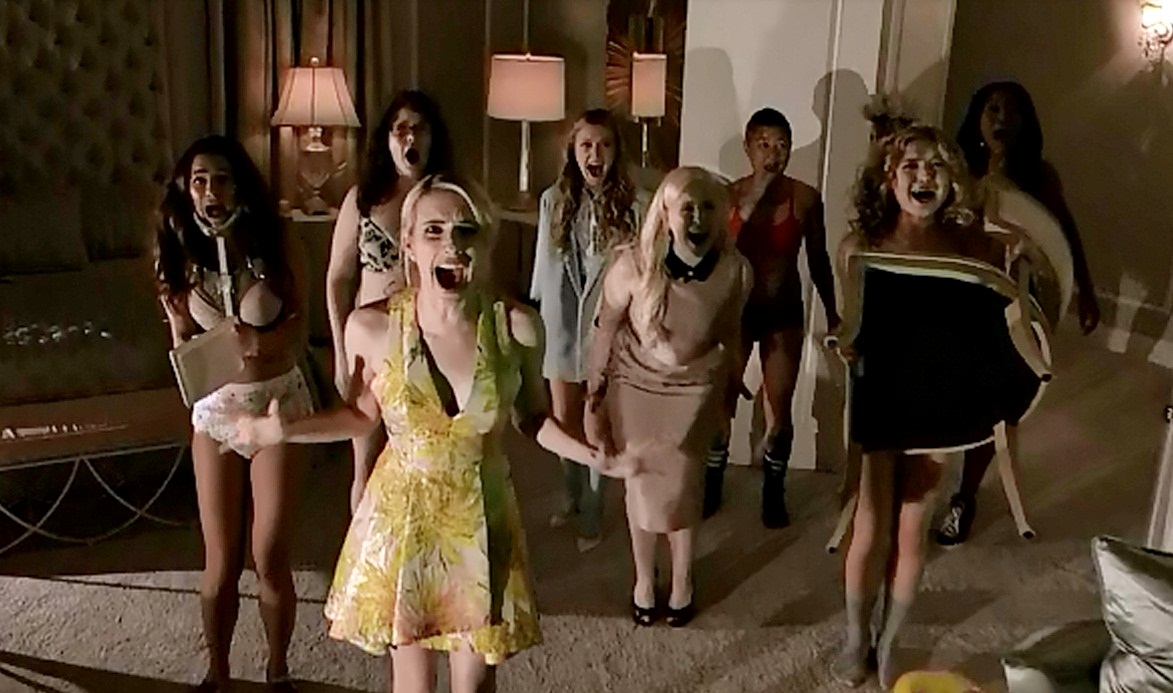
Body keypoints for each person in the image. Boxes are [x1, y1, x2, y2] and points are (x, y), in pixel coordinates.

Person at [233, 175, 616, 693]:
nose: (451, 244)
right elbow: (361, 416)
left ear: (485, 242)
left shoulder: (517, 327)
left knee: (474, 685)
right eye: (433, 230)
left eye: (465, 230)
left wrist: (593, 456)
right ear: (408, 244)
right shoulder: (371, 328)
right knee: (412, 686)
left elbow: (531, 417)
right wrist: (286, 430)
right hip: (405, 516)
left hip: (481, 514)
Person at [831, 125, 1007, 688]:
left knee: (913, 529)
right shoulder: (861, 246)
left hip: (943, 402)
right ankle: (856, 636)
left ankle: (890, 641)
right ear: (888, 178)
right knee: (871, 524)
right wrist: (843, 344)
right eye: (911, 165)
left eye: (936, 166)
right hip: (882, 395)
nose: (924, 176)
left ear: (953, 181)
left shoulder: (972, 248)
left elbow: (996, 322)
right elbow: (850, 324)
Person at [154, 135, 310, 692]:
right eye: (199, 180)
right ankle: (217, 673)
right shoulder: (176, 251)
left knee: (269, 553)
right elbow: (184, 352)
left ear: (239, 185)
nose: (210, 190)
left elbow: (300, 327)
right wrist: (181, 330)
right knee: (220, 560)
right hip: (217, 412)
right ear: (186, 189)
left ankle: (277, 669)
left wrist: (259, 343)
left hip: (276, 405)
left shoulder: (276, 237)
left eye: (221, 179)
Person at [586, 166, 752, 628]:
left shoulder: (736, 271)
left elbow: (731, 333)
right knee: (640, 481)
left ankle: (683, 579)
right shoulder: (632, 266)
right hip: (636, 382)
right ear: (666, 213)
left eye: (708, 207)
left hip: (695, 387)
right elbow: (605, 327)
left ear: (722, 214)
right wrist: (594, 392)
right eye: (687, 208)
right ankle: (643, 578)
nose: (697, 217)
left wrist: (730, 394)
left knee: (685, 485)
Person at [936, 80, 1100, 546]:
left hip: (1014, 306)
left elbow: (1062, 235)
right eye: (993, 109)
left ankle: (965, 497)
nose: (1002, 118)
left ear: (1025, 122)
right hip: (960, 301)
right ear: (977, 117)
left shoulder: (1040, 176)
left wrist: (1086, 291)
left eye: (1012, 111)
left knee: (997, 395)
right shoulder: (957, 171)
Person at [705, 108, 841, 528]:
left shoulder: (805, 198)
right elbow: (718, 252)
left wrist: (834, 314)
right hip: (737, 314)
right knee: (721, 402)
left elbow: (818, 260)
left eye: (782, 144)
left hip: (783, 313)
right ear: (748, 148)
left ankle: (773, 490)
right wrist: (754, 196)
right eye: (764, 144)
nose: (773, 153)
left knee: (779, 409)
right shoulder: (728, 196)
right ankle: (712, 482)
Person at [326, 90, 454, 513]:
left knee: (428, 456)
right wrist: (342, 353)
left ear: (433, 137)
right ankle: (362, 548)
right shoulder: (362, 199)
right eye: (401, 129)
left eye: (419, 128)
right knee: (365, 460)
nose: (410, 137)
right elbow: (338, 278)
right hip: (373, 342)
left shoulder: (447, 199)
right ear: (387, 139)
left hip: (432, 339)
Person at [530, 108, 648, 552]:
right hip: (561, 321)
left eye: (604, 145)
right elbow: (543, 269)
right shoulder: (554, 200)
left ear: (616, 151)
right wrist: (539, 319)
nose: (595, 154)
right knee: (563, 418)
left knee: (596, 420)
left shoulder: (635, 205)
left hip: (605, 326)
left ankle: (594, 511)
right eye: (586, 145)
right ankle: (572, 494)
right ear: (573, 151)